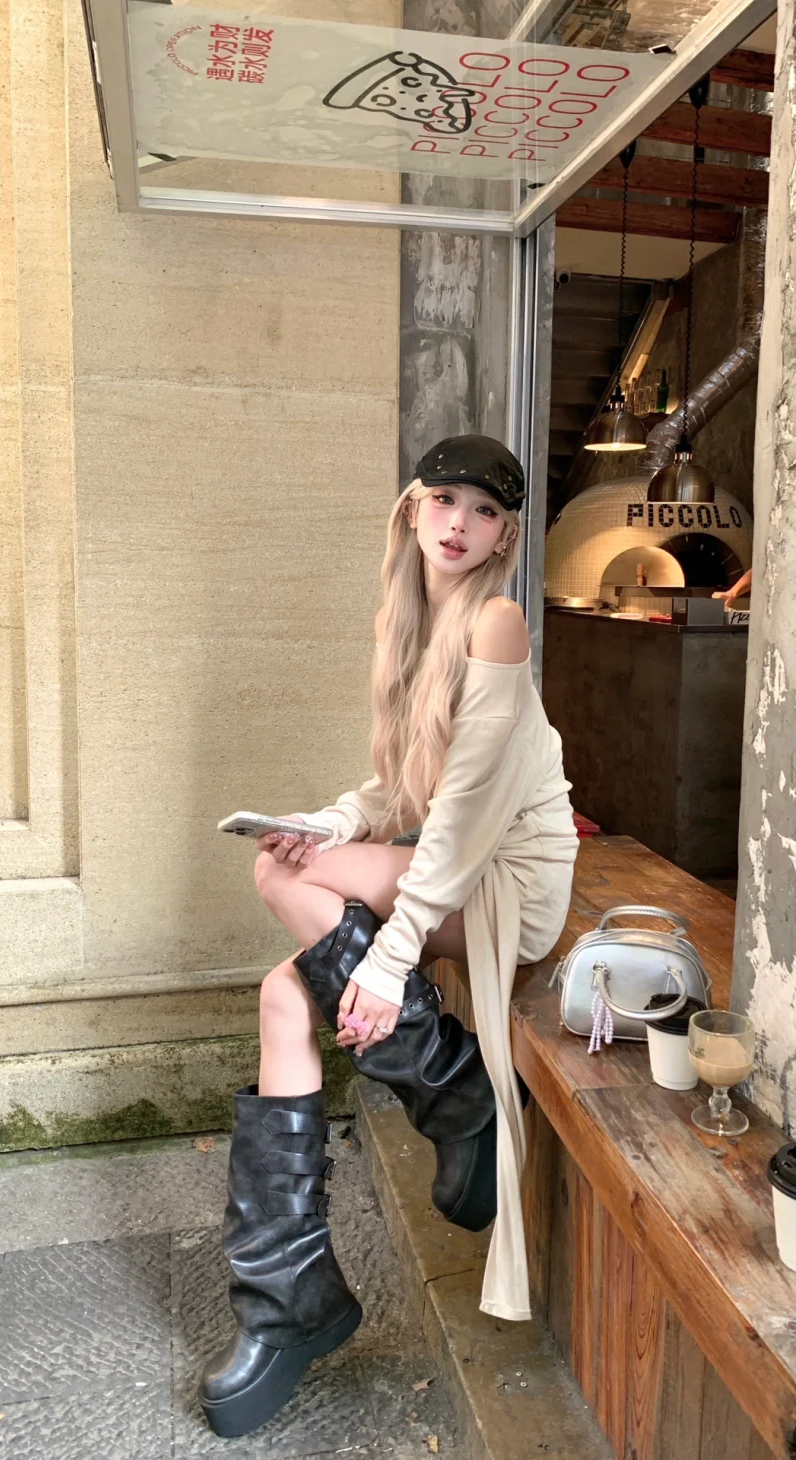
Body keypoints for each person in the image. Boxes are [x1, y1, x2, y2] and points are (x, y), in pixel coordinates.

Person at [200, 436, 579, 1439]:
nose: (460, 523)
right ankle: (288, 1298)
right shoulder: (410, 624)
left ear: (503, 537)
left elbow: (464, 813)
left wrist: (391, 955)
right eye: (445, 499)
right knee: (282, 994)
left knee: (280, 877)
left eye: (485, 511)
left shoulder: (496, 622)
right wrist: (327, 822)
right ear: (414, 508)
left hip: (508, 879)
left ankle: (458, 1095)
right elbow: (398, 789)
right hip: (451, 865)